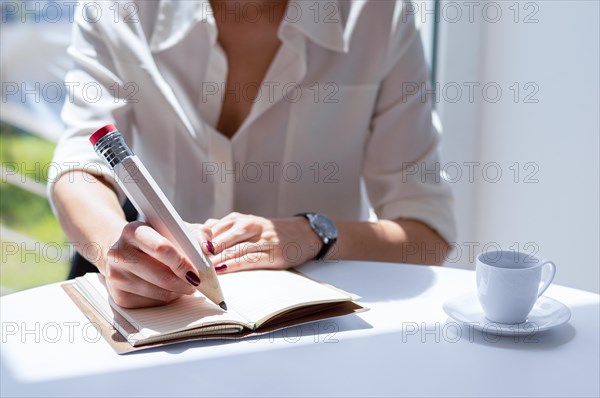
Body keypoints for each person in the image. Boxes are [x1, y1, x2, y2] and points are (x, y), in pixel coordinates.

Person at [49, 0, 456, 308]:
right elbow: (80, 163)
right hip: (169, 312)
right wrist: (111, 245)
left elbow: (426, 232)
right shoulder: (121, 8)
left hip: (311, 329)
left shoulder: (377, 15)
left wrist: (316, 234)